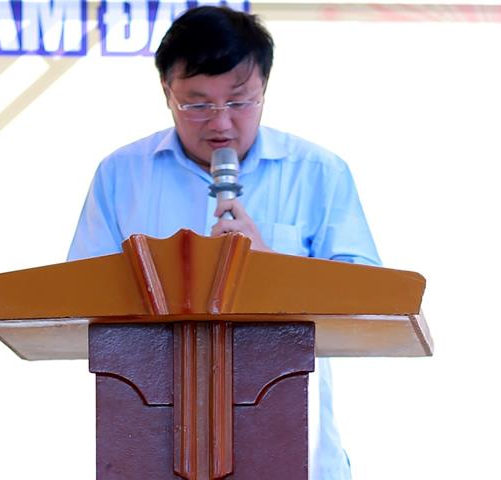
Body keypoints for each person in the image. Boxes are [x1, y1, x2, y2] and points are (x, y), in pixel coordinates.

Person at [68, 5, 380, 479]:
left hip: (292, 447)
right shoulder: (121, 175)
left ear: (264, 89)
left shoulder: (319, 173)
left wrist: (271, 270)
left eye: (239, 102)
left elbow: (369, 307)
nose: (220, 123)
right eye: (197, 104)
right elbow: (78, 301)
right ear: (166, 92)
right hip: (149, 444)